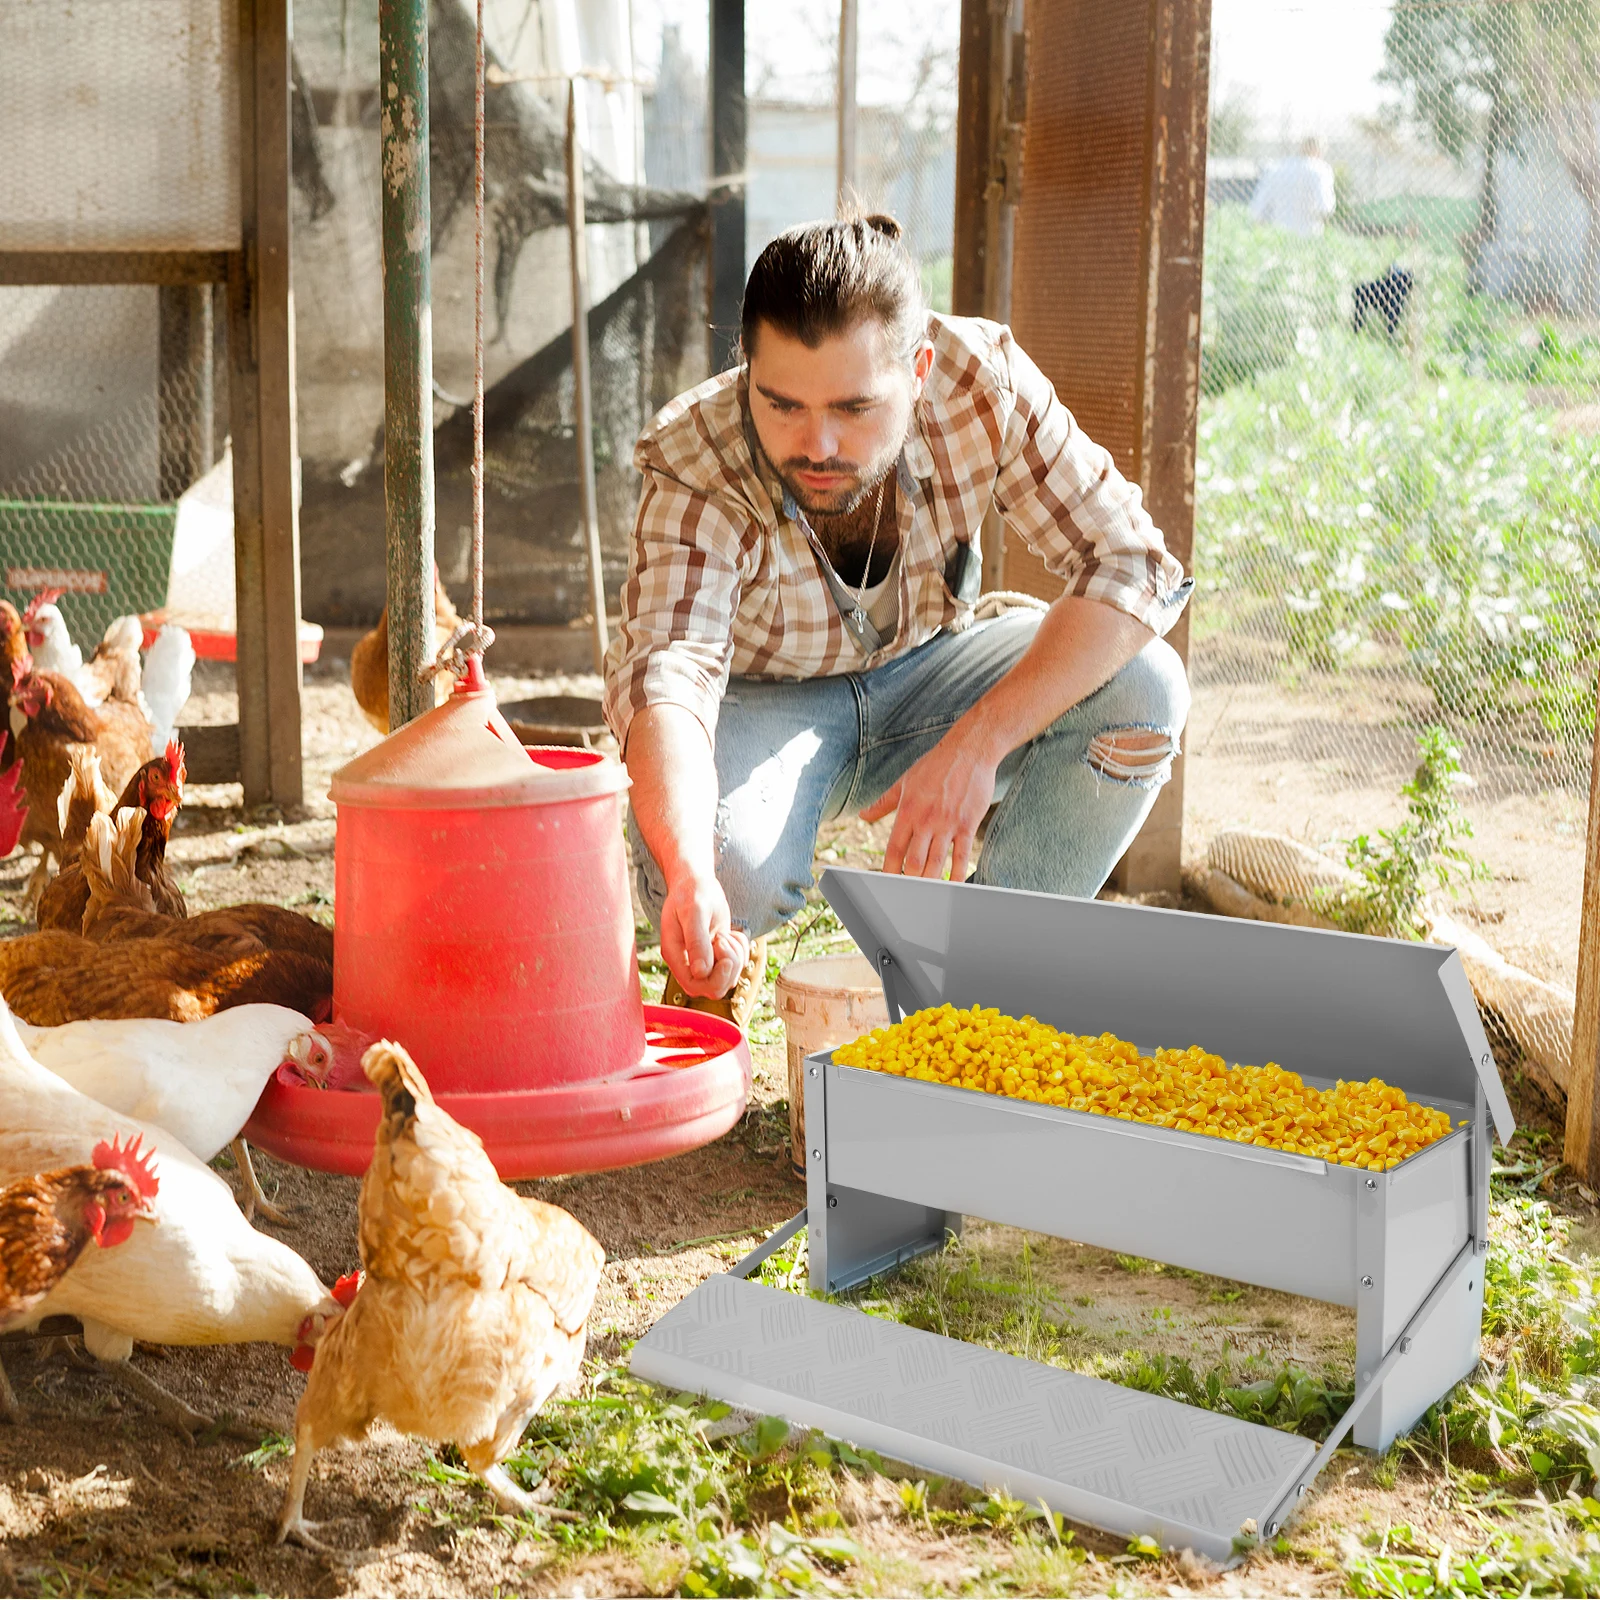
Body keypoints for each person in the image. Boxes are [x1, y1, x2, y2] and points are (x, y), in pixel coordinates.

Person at [603, 214, 1193, 1020]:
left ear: (918, 369)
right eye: (781, 405)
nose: (818, 443)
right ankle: (715, 966)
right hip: (758, 703)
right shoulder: (696, 456)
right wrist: (687, 870)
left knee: (1146, 689)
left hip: (932, 671)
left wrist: (980, 740)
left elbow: (1133, 563)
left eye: (854, 408)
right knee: (722, 867)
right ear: (747, 369)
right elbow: (668, 677)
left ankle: (984, 997)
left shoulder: (984, 381)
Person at [1248, 136, 1336, 238]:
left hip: (1278, 236)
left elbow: (1257, 210)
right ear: (1320, 151)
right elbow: (1326, 207)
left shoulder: (1276, 169)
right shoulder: (1321, 170)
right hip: (1309, 237)